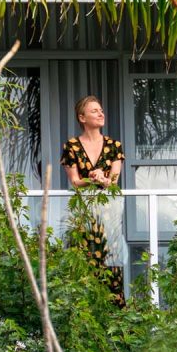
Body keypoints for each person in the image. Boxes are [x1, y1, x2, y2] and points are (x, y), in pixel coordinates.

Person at [59, 95, 125, 299]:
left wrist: (103, 179)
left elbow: (113, 182)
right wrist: (92, 178)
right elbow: (75, 182)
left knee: (110, 262)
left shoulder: (114, 146)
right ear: (82, 117)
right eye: (94, 111)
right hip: (82, 211)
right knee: (81, 261)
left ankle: (115, 318)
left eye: (101, 110)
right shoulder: (71, 146)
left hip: (109, 213)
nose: (101, 113)